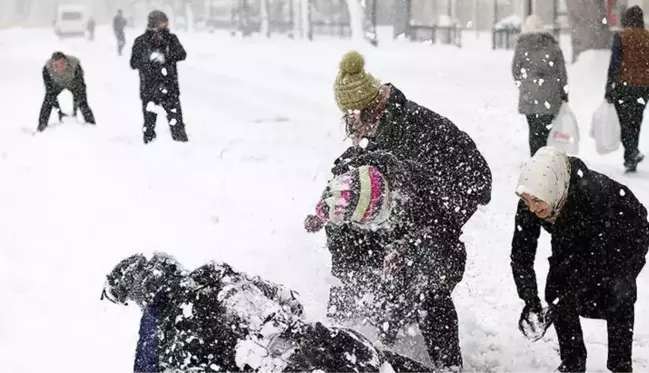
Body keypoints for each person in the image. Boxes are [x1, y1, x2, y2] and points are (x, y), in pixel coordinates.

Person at [316, 50, 492, 371]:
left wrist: (410, 241)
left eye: (352, 117)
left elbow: (474, 183)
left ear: (372, 109)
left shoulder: (418, 130)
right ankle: (380, 338)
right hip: (404, 215)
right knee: (368, 270)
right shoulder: (377, 137)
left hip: (444, 211)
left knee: (425, 281)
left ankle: (448, 365)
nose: (350, 127)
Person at [101, 252, 437, 373]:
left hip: (282, 362)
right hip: (318, 342)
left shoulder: (167, 338)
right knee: (373, 358)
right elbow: (290, 299)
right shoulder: (214, 271)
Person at [510, 146, 649, 373]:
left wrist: (565, 298)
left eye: (537, 201)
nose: (532, 208)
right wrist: (530, 301)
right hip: (580, 236)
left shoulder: (590, 195)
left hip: (624, 234)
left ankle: (620, 364)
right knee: (556, 290)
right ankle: (573, 362)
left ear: (553, 190)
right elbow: (521, 255)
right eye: (527, 200)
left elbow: (586, 260)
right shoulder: (533, 195)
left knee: (618, 292)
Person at [512, 14, 569, 157]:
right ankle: (544, 158)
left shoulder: (522, 45)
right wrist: (564, 91)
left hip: (530, 95)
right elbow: (561, 71)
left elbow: (515, 69)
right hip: (550, 93)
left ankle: (535, 158)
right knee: (545, 130)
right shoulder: (553, 45)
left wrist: (524, 84)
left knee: (533, 130)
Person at [130, 10, 188, 144]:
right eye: (163, 22)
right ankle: (149, 149)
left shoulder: (171, 39)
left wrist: (165, 57)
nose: (166, 25)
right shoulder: (141, 41)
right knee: (149, 124)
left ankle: (183, 149)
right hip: (149, 89)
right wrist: (148, 60)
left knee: (176, 123)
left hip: (170, 87)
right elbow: (134, 63)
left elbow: (182, 54)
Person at [605, 5, 648, 173]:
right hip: (643, 87)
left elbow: (614, 63)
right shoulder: (647, 37)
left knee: (625, 122)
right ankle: (632, 154)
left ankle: (631, 154)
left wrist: (609, 85)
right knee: (636, 120)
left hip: (624, 86)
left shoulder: (621, 37)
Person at [38, 51, 96, 132]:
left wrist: (75, 109)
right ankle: (41, 127)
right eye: (56, 65)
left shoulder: (75, 65)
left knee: (82, 102)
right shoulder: (46, 69)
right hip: (56, 85)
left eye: (62, 64)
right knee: (47, 102)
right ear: (52, 65)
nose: (60, 68)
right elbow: (50, 92)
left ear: (67, 62)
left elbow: (80, 88)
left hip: (73, 83)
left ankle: (92, 126)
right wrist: (59, 111)